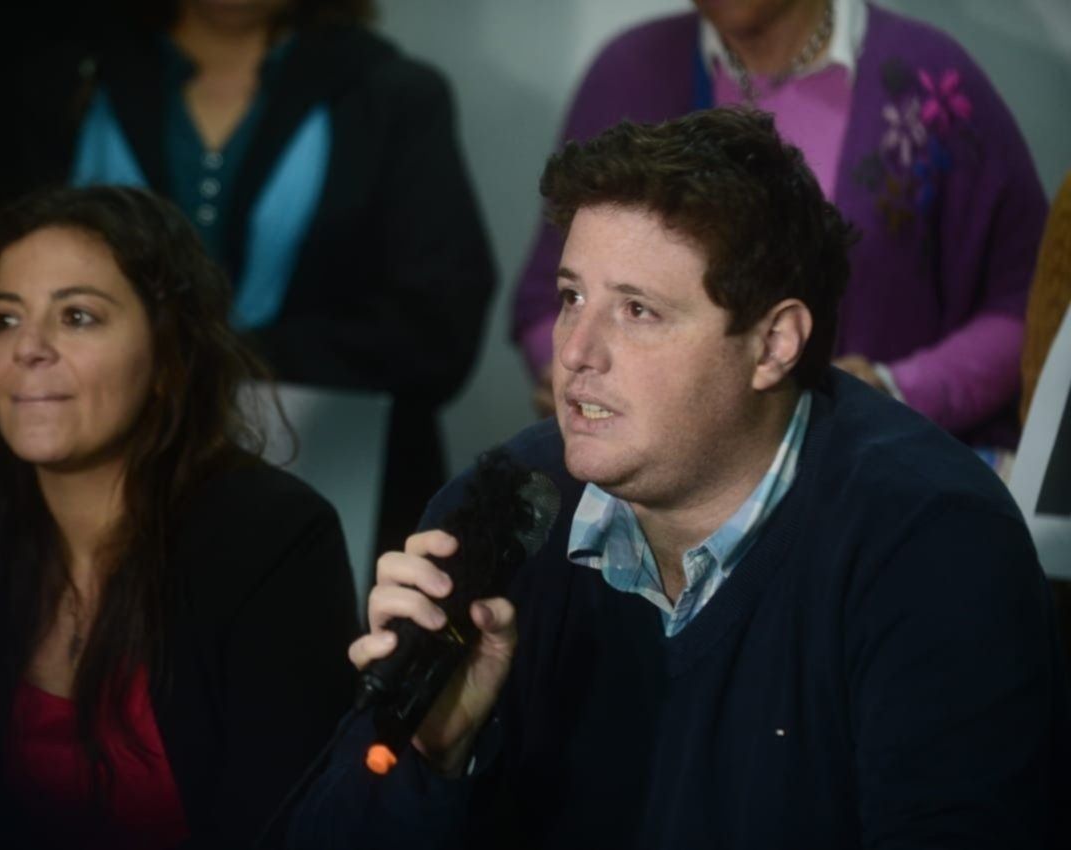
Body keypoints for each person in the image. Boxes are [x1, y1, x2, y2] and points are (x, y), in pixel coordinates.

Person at [288, 109, 1071, 848]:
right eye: (571, 297)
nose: (575, 351)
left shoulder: (933, 545)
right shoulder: (504, 508)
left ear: (774, 345)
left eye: (638, 311)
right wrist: (430, 757)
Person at [0, 185, 358, 847]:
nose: (28, 348)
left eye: (77, 316)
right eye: (4, 319)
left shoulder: (274, 540)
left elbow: (290, 829)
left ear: (168, 357)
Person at [512, 0, 1046, 457]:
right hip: (674, 488)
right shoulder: (630, 73)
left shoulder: (928, 81)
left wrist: (897, 391)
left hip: (879, 471)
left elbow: (1030, 303)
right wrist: (584, 368)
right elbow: (544, 298)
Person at [70, 0, 496, 554]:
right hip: (90, 477)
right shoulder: (66, 83)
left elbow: (438, 329)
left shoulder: (391, 92)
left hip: (333, 482)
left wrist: (221, 359)